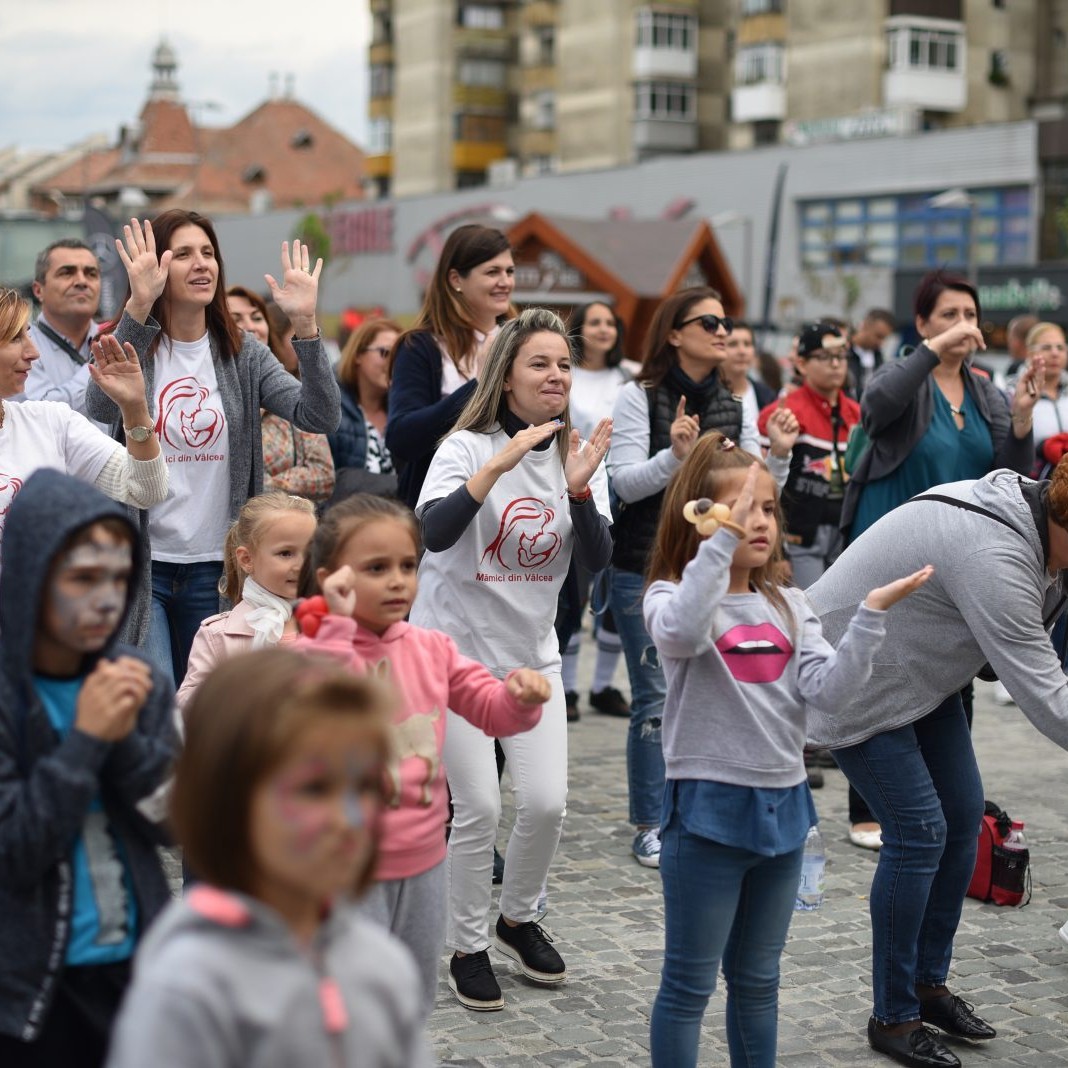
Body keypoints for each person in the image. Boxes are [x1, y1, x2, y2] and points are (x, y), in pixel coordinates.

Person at [643, 435, 929, 1068]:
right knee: (689, 987)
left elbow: (830, 694)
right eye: (744, 507)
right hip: (707, 815)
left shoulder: (791, 604)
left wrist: (871, 616)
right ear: (699, 516)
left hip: (785, 812)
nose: (760, 522)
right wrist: (720, 545)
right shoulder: (671, 598)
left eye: (768, 508)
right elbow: (684, 631)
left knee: (758, 982)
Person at [807, 463, 1068, 1068]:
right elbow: (1045, 694)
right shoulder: (998, 556)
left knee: (961, 819)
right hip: (854, 672)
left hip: (919, 671)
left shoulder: (1043, 537)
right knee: (919, 833)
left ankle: (928, 986)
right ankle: (893, 1017)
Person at [411, 307, 613, 1010]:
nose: (556, 374)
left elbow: (595, 561)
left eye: (564, 363)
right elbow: (433, 534)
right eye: (540, 363)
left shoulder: (577, 452)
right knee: (479, 806)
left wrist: (581, 490)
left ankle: (517, 916)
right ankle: (468, 945)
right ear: (508, 377)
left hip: (533, 658)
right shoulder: (463, 448)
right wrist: (498, 461)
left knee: (549, 804)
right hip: (455, 658)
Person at [105, 649, 433, 1068]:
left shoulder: (383, 968)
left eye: (365, 785)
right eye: (314, 789)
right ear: (229, 801)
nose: (349, 818)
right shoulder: (189, 988)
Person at [292, 493, 550, 1016]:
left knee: (409, 998)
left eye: (408, 565)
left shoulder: (431, 648)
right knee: (348, 998)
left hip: (423, 859)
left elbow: (487, 708)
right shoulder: (311, 651)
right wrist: (338, 627)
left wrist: (517, 701)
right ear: (331, 577)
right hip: (343, 865)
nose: (397, 580)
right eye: (376, 568)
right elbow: (322, 706)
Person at [84, 213, 340, 685]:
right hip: (145, 567)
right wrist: (138, 308)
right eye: (183, 254)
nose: (201, 264)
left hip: (218, 569)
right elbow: (99, 404)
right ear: (156, 269)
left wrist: (305, 326)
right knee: (158, 706)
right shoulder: (136, 343)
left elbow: (320, 416)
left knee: (212, 706)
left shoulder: (244, 354)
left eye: (208, 253)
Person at [840, 270, 1041, 850]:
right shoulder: (903, 375)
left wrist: (1022, 419)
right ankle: (869, 807)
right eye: (948, 315)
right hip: (894, 544)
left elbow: (1009, 473)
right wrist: (929, 354)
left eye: (970, 315)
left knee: (954, 665)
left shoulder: (984, 391)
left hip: (961, 557)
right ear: (922, 323)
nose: (962, 326)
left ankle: (951, 799)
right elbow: (875, 410)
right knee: (881, 660)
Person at [607, 286, 797, 868]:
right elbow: (622, 485)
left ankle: (696, 809)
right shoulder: (639, 396)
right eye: (710, 321)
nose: (723, 331)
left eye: (727, 321)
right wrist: (675, 456)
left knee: (710, 692)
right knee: (655, 698)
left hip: (717, 572)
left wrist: (781, 456)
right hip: (645, 567)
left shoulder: (733, 402)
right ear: (673, 333)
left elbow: (753, 496)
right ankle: (650, 821)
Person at [0, 469, 179, 1068]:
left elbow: (172, 824)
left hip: (135, 969)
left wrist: (125, 741)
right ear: (31, 576)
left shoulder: (138, 680)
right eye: (82, 578)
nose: (106, 600)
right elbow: (15, 850)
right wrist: (84, 740)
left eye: (120, 579)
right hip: (30, 985)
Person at [0, 287, 167, 561]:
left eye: (29, 333)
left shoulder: (51, 421)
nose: (33, 352)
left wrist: (135, 408)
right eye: (15, 338)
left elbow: (147, 490)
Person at [386, 223, 516, 508]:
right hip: (440, 506)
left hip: (514, 502)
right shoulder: (421, 347)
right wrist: (480, 385)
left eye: (509, 271)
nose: (505, 281)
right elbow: (402, 438)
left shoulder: (522, 341)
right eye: (492, 272)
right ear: (456, 278)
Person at [176, 491, 317, 713]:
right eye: (285, 553)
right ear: (247, 559)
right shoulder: (218, 635)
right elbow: (186, 710)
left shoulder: (332, 625)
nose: (300, 565)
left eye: (310, 552)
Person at [559, 300, 632, 721]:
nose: (604, 329)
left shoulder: (629, 376)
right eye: (595, 322)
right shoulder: (567, 374)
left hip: (624, 490)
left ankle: (603, 685)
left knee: (617, 592)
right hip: (578, 486)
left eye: (610, 321)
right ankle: (567, 687)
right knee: (576, 589)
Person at [758, 322, 860, 589]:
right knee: (811, 611)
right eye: (825, 357)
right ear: (801, 364)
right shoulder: (781, 414)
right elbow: (764, 487)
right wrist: (777, 550)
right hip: (798, 535)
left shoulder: (858, 414)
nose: (836, 364)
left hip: (845, 532)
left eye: (840, 356)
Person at [226, 287, 335, 504]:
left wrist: (261, 485)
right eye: (236, 318)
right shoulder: (205, 391)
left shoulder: (286, 391)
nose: (250, 326)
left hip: (282, 525)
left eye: (257, 318)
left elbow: (323, 475)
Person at [20, 239, 107, 430]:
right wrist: (100, 365)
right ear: (38, 290)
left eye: (91, 273)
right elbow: (40, 417)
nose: (82, 281)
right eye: (66, 272)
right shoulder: (17, 347)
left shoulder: (119, 342)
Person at [329, 317, 401, 494]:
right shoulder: (331, 409)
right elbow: (331, 481)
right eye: (385, 352)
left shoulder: (406, 410)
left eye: (400, 355)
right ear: (358, 355)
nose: (393, 362)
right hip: (348, 516)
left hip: (401, 517)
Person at [721, 319, 777, 430]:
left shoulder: (766, 396)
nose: (742, 351)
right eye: (733, 344)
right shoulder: (706, 392)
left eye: (747, 344)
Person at [846, 308, 895, 398]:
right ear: (865, 326)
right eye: (878, 336)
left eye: (884, 338)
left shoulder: (879, 358)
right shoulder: (844, 353)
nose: (881, 342)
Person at [1004, 313, 1039, 379]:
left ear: (1016, 342)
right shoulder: (1045, 367)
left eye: (1010, 338)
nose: (1008, 343)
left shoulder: (1015, 369)